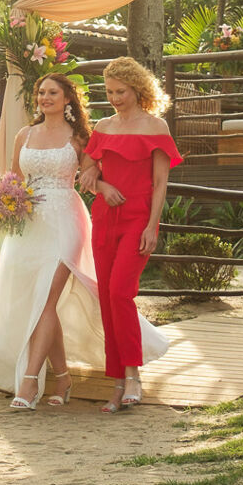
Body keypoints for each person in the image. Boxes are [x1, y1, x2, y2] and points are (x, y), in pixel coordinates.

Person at [0, 72, 167, 409]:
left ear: (68, 99)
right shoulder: (24, 135)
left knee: (47, 301)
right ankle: (62, 377)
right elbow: (16, 180)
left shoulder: (80, 137)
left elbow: (96, 173)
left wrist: (104, 186)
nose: (45, 98)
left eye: (52, 92)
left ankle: (30, 383)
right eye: (41, 93)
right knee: (40, 301)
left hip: (65, 220)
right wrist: (2, 202)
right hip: (29, 225)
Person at [78, 56, 183, 412]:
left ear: (137, 89)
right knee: (106, 297)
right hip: (105, 217)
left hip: (138, 217)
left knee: (121, 293)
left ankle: (133, 374)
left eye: (120, 91)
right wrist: (100, 185)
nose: (114, 98)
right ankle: (118, 382)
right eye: (109, 91)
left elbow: (160, 182)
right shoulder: (104, 126)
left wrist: (153, 226)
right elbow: (88, 166)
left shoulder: (156, 128)